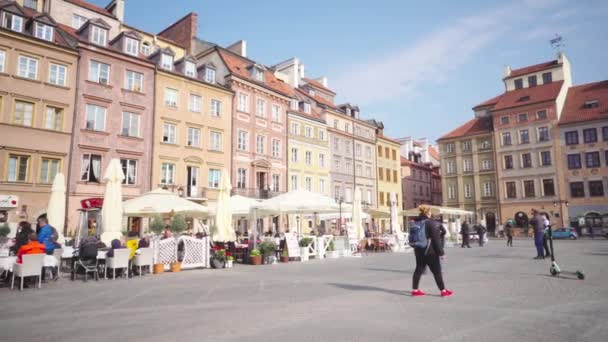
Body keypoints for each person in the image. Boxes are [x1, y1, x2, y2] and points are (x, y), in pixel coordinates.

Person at [411, 206, 453, 297]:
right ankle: (443, 291)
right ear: (428, 213)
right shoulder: (432, 223)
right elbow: (436, 240)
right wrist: (441, 253)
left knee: (418, 269)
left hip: (418, 249)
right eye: (430, 212)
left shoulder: (416, 222)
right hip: (430, 251)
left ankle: (415, 290)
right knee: (437, 271)